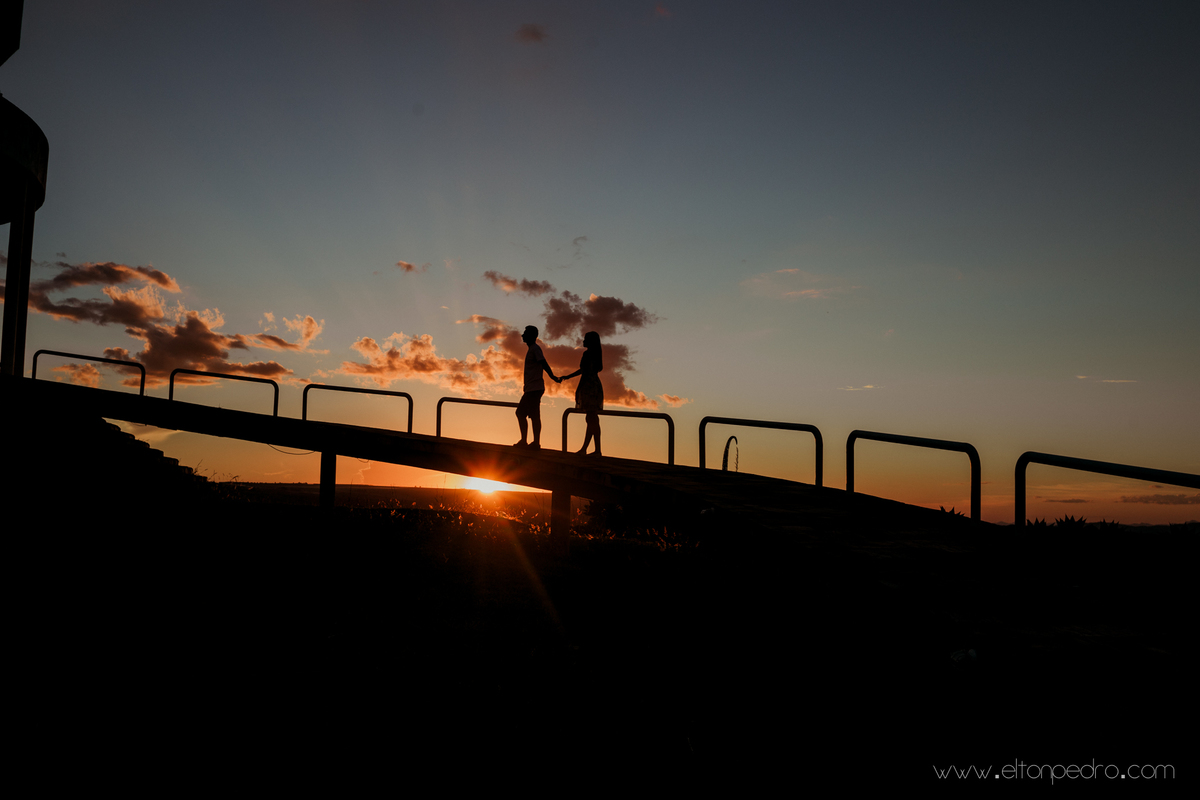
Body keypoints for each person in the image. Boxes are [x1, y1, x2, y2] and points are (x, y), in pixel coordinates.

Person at [514, 325, 560, 449]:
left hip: (534, 388)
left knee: (524, 413)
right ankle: (530, 441)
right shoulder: (532, 349)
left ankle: (532, 442)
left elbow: (543, 363)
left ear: (532, 336)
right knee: (527, 414)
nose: (523, 335)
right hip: (532, 388)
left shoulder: (535, 349)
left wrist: (553, 377)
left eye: (525, 333)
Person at [561, 330, 604, 456]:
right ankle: (591, 449)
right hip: (595, 386)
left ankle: (592, 449)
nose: (583, 341)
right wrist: (568, 376)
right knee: (592, 418)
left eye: (585, 339)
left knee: (591, 418)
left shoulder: (587, 354)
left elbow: (584, 373)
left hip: (589, 387)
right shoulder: (596, 354)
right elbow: (584, 370)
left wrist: (578, 389)